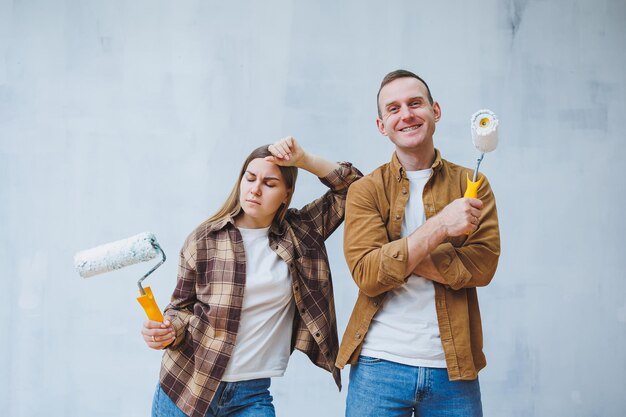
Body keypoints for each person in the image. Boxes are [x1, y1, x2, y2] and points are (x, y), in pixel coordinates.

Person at [141, 137, 362, 417]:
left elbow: (354, 188)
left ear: (286, 193)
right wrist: (167, 330)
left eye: (269, 184)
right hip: (188, 385)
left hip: (251, 394)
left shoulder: (302, 233)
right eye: (250, 178)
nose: (255, 189)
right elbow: (180, 308)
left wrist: (303, 159)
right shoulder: (205, 239)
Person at [336, 70, 501, 417]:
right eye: (393, 109)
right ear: (382, 125)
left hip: (453, 369)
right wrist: (441, 226)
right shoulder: (365, 191)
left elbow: (482, 266)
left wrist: (396, 251)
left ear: (435, 111)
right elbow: (367, 275)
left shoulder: (473, 184)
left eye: (415, 103)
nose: (406, 114)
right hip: (378, 366)